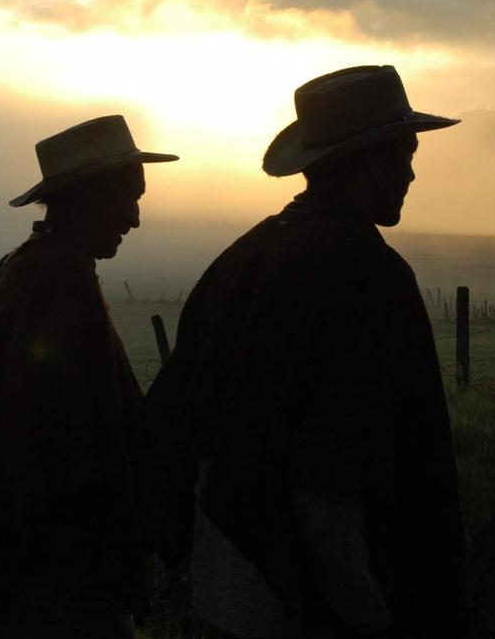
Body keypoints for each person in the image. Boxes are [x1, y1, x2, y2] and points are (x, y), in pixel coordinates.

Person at [145, 66, 469, 638]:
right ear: (367, 160)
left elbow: (176, 423)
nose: (412, 173)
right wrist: (369, 609)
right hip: (317, 602)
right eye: (405, 154)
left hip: (225, 586)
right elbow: (335, 478)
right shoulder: (370, 277)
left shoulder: (238, 260)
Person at [0, 114, 178, 638]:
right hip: (54, 576)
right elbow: (58, 446)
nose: (134, 219)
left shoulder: (28, 266)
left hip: (31, 565)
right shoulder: (58, 280)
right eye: (127, 198)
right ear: (86, 197)